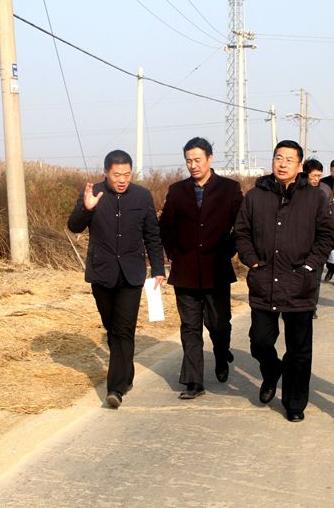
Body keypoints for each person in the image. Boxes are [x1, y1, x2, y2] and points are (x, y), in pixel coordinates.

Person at [235, 140, 334, 422]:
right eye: (278, 158)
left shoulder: (315, 197)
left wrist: (310, 265)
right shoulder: (255, 196)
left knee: (299, 350)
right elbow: (241, 232)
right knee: (260, 341)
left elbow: (327, 235)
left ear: (299, 165)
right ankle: (271, 372)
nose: (282, 164)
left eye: (289, 160)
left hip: (299, 283)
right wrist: (252, 260)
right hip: (264, 281)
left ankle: (294, 403)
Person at [67, 150, 165, 409]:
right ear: (106, 173)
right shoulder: (93, 193)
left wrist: (158, 269)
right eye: (117, 175)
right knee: (112, 328)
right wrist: (86, 209)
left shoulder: (142, 196)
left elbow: (152, 235)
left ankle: (115, 389)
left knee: (123, 329)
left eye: (127, 174)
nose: (122, 180)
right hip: (102, 273)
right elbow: (74, 226)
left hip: (132, 274)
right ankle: (126, 372)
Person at [159, 137, 243, 400]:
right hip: (185, 270)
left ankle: (221, 353)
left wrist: (227, 251)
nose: (193, 165)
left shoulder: (229, 189)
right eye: (188, 161)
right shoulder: (177, 190)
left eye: (197, 160)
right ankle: (194, 382)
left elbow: (241, 226)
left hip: (217, 269)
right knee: (190, 327)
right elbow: (166, 227)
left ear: (210, 158)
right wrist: (174, 253)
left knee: (219, 324)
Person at [302, 158, 334, 319]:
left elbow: (330, 218)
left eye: (319, 176)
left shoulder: (324, 190)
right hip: (300, 241)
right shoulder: (297, 189)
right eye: (313, 176)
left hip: (317, 242)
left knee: (315, 278)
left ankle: (311, 308)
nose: (316, 179)